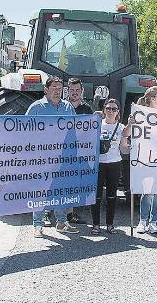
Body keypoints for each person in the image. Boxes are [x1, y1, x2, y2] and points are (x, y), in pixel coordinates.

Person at [26, 76, 79, 236]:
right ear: (46, 89)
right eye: (54, 87)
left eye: (59, 87)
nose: (57, 90)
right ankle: (38, 224)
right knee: (41, 190)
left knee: (61, 189)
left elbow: (75, 129)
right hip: (42, 158)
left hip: (63, 156)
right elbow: (22, 131)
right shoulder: (36, 107)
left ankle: (61, 222)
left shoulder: (68, 107)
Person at [123, 86, 157, 234]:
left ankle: (154, 221)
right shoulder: (139, 114)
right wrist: (131, 123)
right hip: (145, 158)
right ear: (153, 98)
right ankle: (143, 221)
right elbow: (126, 134)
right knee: (147, 191)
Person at [92, 99, 124, 235]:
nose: (111, 111)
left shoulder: (122, 127)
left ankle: (110, 224)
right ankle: (95, 224)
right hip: (98, 164)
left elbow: (124, 148)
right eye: (109, 108)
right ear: (104, 110)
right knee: (96, 196)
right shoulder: (96, 124)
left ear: (118, 112)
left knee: (112, 196)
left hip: (115, 164)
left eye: (114, 109)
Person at [65, 78, 92, 224]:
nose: (74, 93)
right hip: (60, 151)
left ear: (82, 91)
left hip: (78, 152)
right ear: (67, 91)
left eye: (77, 90)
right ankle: (47, 212)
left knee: (73, 182)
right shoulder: (61, 106)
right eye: (71, 90)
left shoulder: (87, 109)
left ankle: (70, 213)